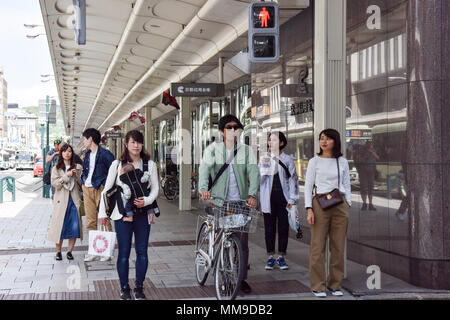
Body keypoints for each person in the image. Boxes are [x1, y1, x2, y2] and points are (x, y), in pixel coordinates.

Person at [198, 114, 260, 294]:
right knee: (222, 240)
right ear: (222, 131)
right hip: (219, 202)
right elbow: (204, 169)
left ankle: (241, 278)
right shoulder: (213, 149)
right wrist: (203, 188)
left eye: (236, 127)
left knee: (241, 242)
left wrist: (252, 194)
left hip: (240, 203)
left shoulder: (246, 150)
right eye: (229, 127)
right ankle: (223, 276)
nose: (233, 130)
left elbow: (254, 172)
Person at [98, 130, 159, 300]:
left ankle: (139, 286)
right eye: (132, 142)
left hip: (143, 214)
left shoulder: (150, 165)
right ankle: (124, 287)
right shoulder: (117, 164)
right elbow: (107, 189)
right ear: (126, 144)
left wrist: (146, 201)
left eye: (139, 142)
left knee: (142, 252)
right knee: (123, 252)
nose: (136, 145)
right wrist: (102, 213)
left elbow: (155, 189)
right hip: (122, 215)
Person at [304, 128, 351, 298]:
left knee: (338, 247)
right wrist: (309, 208)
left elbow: (347, 184)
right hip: (319, 204)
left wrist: (348, 204)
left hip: (340, 204)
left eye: (328, 139)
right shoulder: (314, 161)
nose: (323, 142)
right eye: (321, 138)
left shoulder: (342, 161)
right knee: (318, 246)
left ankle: (335, 284)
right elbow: (308, 186)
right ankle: (317, 286)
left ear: (335, 141)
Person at [259, 131, 300, 271]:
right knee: (269, 229)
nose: (271, 143)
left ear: (282, 143)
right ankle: (270, 257)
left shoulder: (287, 159)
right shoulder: (264, 159)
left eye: (274, 140)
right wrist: (265, 166)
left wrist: (293, 199)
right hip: (268, 200)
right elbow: (260, 180)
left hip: (284, 199)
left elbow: (293, 180)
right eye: (269, 140)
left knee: (283, 229)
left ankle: (281, 257)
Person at [81, 128, 115, 262]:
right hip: (87, 189)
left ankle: (107, 251)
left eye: (84, 139)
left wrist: (105, 186)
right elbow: (85, 171)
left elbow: (113, 171)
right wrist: (83, 182)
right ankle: (94, 250)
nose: (83, 142)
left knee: (104, 219)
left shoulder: (106, 154)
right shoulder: (87, 155)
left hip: (101, 190)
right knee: (90, 221)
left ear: (90, 139)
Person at [47, 143, 83, 261]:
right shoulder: (56, 169)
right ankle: (58, 252)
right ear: (61, 153)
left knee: (74, 227)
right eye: (65, 151)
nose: (67, 153)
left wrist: (77, 176)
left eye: (69, 151)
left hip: (73, 199)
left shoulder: (77, 167)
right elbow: (55, 184)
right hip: (61, 201)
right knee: (60, 227)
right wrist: (66, 176)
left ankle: (69, 251)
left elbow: (81, 184)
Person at [357, 141, 379, 211]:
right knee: (363, 187)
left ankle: (370, 204)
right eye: (369, 144)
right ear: (366, 145)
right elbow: (359, 160)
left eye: (371, 144)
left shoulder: (373, 150)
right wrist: (366, 155)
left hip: (371, 170)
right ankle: (364, 203)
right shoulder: (361, 151)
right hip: (363, 170)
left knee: (371, 187)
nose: (370, 145)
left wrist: (372, 152)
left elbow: (378, 158)